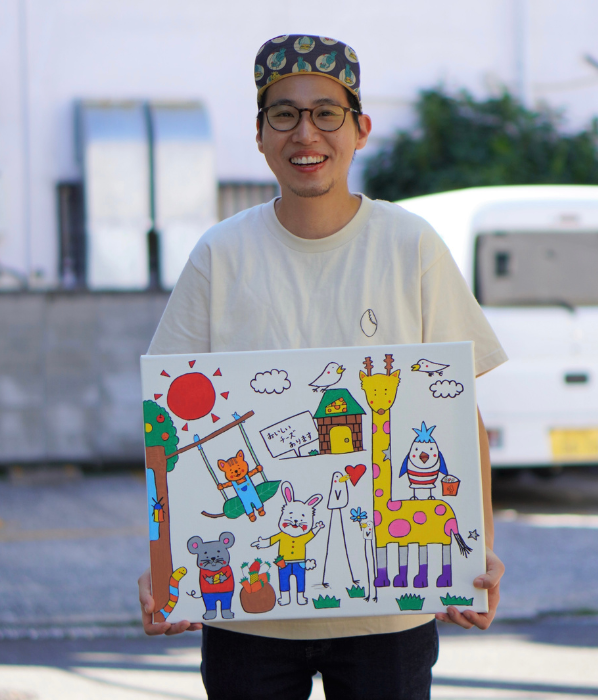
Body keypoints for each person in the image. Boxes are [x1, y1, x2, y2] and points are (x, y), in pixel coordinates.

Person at [138, 34, 506, 700]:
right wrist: (164, 561)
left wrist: (476, 550)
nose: (305, 133)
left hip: (388, 619)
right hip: (247, 616)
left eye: (326, 113)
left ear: (360, 129)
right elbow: (167, 426)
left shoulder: (411, 246)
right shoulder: (219, 255)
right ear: (259, 135)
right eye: (284, 114)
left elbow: (458, 414)